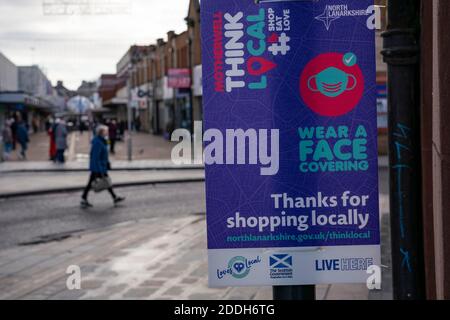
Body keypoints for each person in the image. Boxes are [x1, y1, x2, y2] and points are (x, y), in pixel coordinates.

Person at [81, 125, 125, 208]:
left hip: (101, 166)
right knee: (104, 182)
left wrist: (107, 163)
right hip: (98, 167)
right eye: (106, 131)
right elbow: (95, 157)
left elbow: (104, 155)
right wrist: (99, 169)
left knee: (103, 182)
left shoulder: (102, 141)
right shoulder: (97, 142)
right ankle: (114, 197)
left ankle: (114, 197)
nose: (107, 132)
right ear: (101, 132)